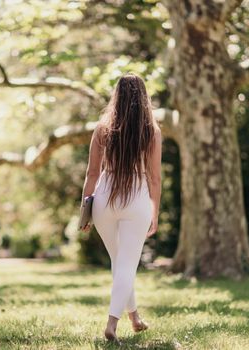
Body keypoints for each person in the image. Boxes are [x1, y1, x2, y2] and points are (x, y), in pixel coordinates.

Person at [79, 73, 162, 343]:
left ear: (117, 95)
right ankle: (111, 324)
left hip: (104, 198)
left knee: (120, 263)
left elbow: (92, 173)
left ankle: (135, 317)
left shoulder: (103, 128)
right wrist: (155, 212)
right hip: (136, 199)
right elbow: (155, 178)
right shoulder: (151, 131)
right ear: (143, 96)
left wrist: (85, 209)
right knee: (126, 264)